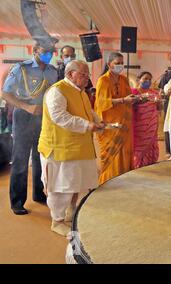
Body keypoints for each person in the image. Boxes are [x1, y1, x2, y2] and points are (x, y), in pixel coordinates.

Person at [38, 60, 103, 236]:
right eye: (83, 74)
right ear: (70, 74)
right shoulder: (57, 91)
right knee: (60, 187)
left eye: (88, 74)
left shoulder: (81, 92)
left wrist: (97, 120)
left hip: (80, 147)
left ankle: (71, 212)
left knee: (76, 183)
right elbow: (60, 117)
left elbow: (88, 111)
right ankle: (57, 220)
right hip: (59, 148)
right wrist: (87, 125)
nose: (87, 78)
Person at [1, 44, 58, 215]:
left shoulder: (53, 71)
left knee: (40, 156)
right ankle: (17, 201)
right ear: (35, 52)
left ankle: (39, 194)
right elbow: (5, 93)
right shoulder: (21, 68)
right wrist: (26, 107)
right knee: (20, 159)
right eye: (44, 52)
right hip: (24, 115)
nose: (48, 55)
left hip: (44, 116)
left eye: (51, 52)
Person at [95, 52, 137, 184]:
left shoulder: (124, 79)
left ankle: (124, 178)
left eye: (121, 63)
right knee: (112, 156)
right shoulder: (103, 80)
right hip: (110, 126)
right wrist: (123, 100)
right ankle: (109, 181)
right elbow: (101, 102)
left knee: (125, 152)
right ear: (109, 64)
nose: (120, 65)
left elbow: (129, 98)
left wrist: (137, 99)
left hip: (125, 124)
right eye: (117, 63)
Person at [131, 71, 161, 169]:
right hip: (139, 126)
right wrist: (140, 100)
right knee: (138, 149)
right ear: (139, 80)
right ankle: (137, 166)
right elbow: (130, 107)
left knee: (151, 147)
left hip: (151, 127)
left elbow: (159, 108)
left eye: (149, 79)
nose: (147, 81)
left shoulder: (155, 93)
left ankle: (149, 167)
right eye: (145, 79)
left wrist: (159, 101)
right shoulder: (134, 92)